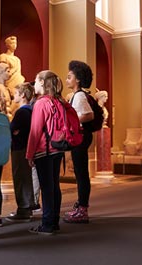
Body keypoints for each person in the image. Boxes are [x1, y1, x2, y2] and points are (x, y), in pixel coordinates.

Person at [26, 70, 65, 235]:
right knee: (54, 186)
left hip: (44, 150)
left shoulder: (41, 103)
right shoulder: (58, 100)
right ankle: (54, 221)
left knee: (47, 188)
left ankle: (47, 224)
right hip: (57, 149)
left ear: (42, 82)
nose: (34, 84)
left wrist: (29, 154)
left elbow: (35, 131)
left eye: (35, 81)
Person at [63, 60, 94, 224]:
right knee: (80, 173)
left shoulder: (80, 96)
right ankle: (81, 207)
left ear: (78, 80)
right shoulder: (77, 95)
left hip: (81, 138)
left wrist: (72, 121)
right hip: (81, 137)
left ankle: (82, 209)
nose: (67, 79)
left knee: (81, 174)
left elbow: (89, 115)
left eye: (69, 77)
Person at [6, 83, 35, 223]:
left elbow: (11, 129)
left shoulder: (22, 112)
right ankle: (27, 206)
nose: (14, 96)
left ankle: (23, 208)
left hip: (19, 147)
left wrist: (14, 130)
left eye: (16, 93)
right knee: (25, 177)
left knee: (20, 178)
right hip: (26, 146)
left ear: (23, 95)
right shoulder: (30, 110)